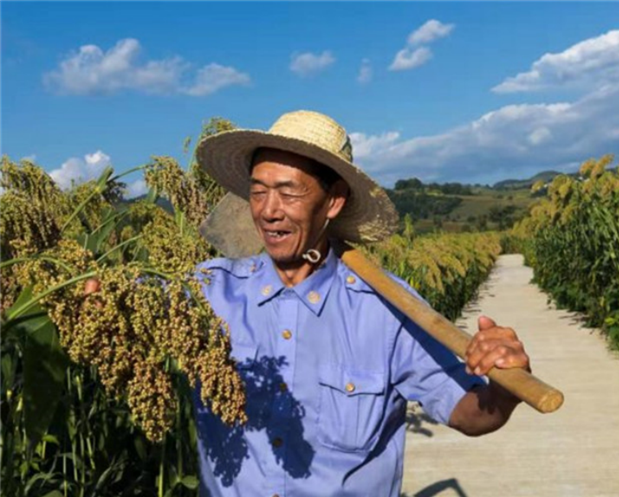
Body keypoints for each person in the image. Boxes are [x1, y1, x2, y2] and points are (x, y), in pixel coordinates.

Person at [192, 110, 530, 497]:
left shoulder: (387, 310)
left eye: (288, 192)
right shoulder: (208, 293)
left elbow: (467, 413)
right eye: (258, 192)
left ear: (333, 201)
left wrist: (504, 389)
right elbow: (126, 307)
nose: (269, 210)